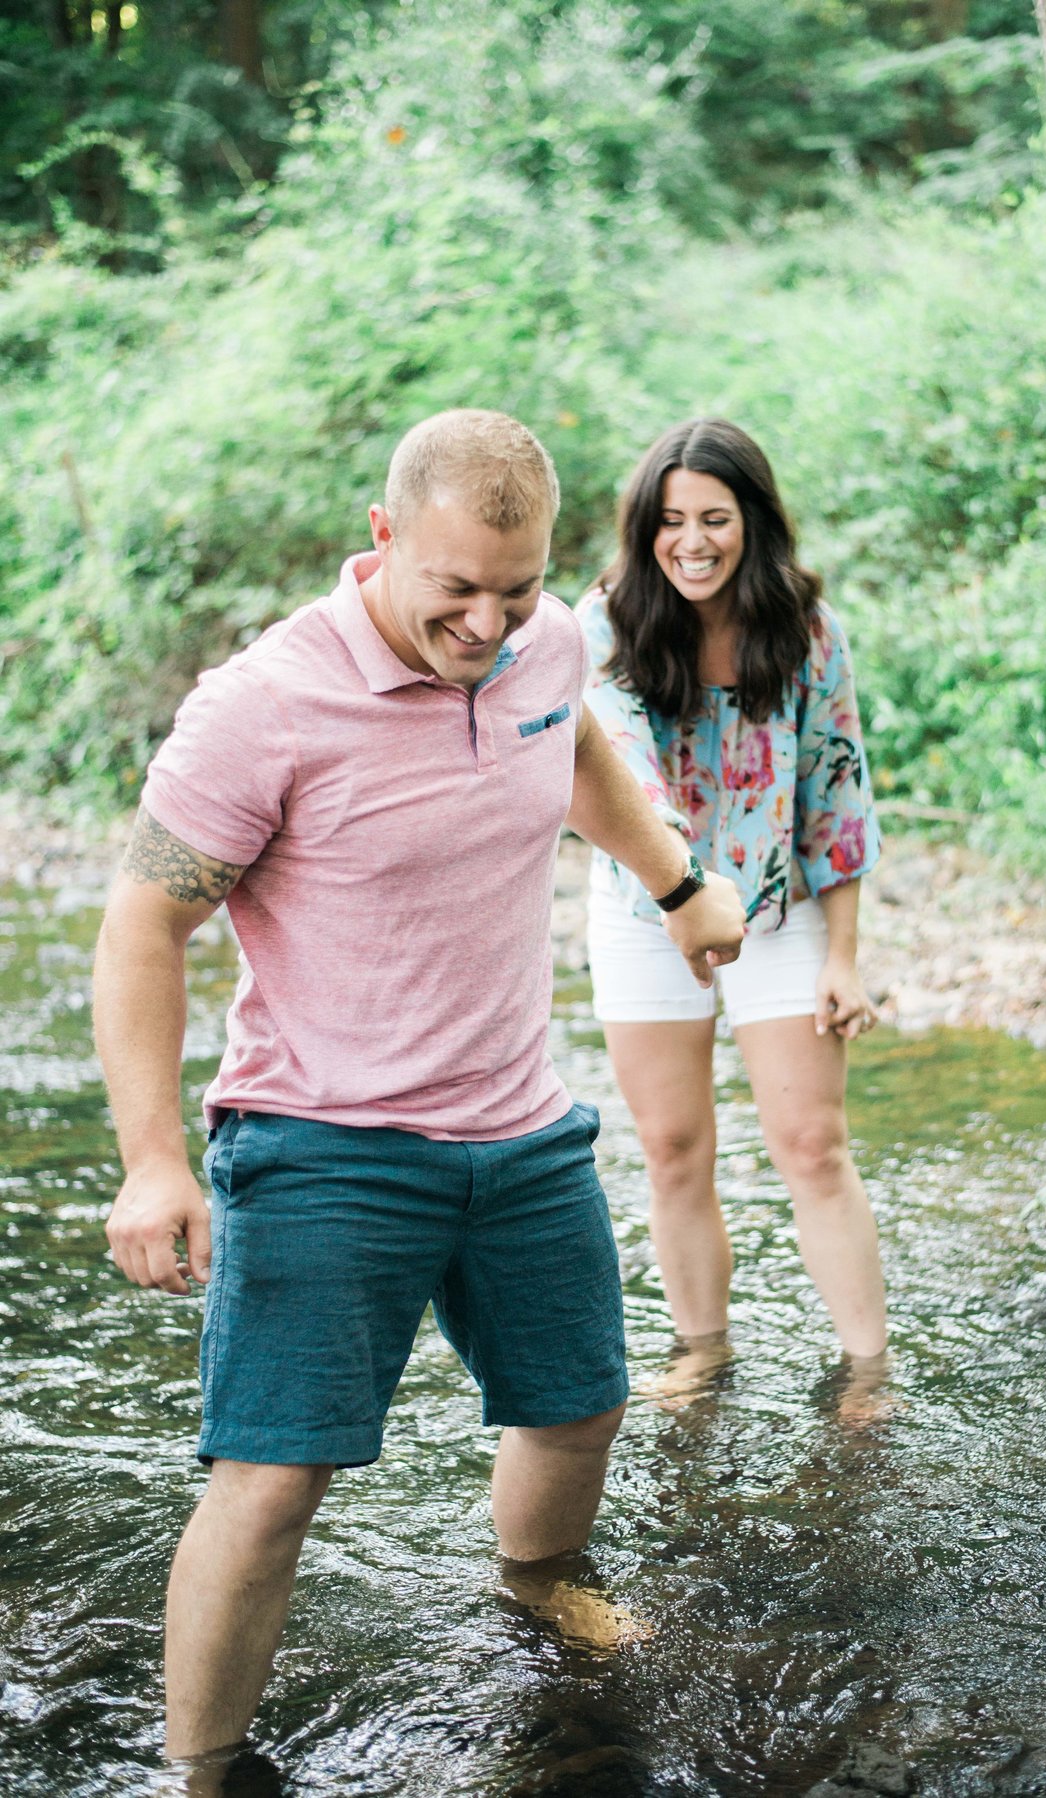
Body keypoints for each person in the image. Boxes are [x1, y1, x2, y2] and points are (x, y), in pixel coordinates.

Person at [93, 409, 745, 1769]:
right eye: (455, 591)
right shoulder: (262, 704)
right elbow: (143, 924)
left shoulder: (549, 641)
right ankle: (197, 1766)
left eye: (514, 590)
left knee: (579, 1402)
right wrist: (152, 1155)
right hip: (321, 1140)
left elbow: (570, 747)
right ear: (383, 538)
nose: (488, 625)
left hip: (517, 1127)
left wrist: (675, 881)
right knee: (273, 1485)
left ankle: (534, 1586)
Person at [578, 418, 887, 1399]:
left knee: (812, 1145)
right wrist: (679, 890)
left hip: (781, 909)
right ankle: (702, 1355)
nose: (693, 541)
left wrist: (841, 956)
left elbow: (837, 794)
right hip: (644, 908)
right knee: (673, 1149)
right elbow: (619, 762)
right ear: (645, 529)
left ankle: (868, 1372)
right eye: (671, 521)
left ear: (751, 519)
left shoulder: (804, 630)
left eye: (714, 518)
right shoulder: (606, 624)